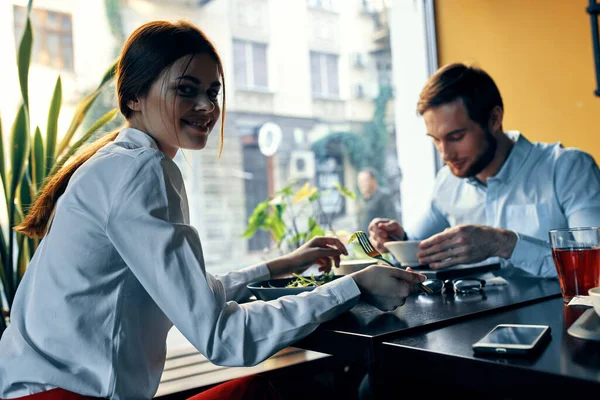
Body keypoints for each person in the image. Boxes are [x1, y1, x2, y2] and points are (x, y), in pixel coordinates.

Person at [0, 20, 427, 400]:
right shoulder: (140, 170)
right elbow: (224, 338)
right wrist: (353, 286)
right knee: (279, 388)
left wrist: (281, 265)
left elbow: (190, 294)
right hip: (60, 396)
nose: (207, 106)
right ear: (133, 98)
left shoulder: (121, 163)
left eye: (212, 91)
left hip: (36, 388)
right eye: (186, 90)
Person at [369, 62, 600, 278]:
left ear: (494, 119)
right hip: (477, 320)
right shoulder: (447, 181)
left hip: (565, 319)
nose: (445, 154)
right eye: (436, 140)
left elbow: (595, 266)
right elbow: (419, 249)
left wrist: (503, 243)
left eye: (456, 137)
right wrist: (397, 240)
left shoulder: (569, 169)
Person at [357, 168, 398, 233]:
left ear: (373, 180)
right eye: (359, 181)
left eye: (364, 181)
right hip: (365, 241)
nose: (361, 184)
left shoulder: (384, 196)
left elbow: (392, 220)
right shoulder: (361, 200)